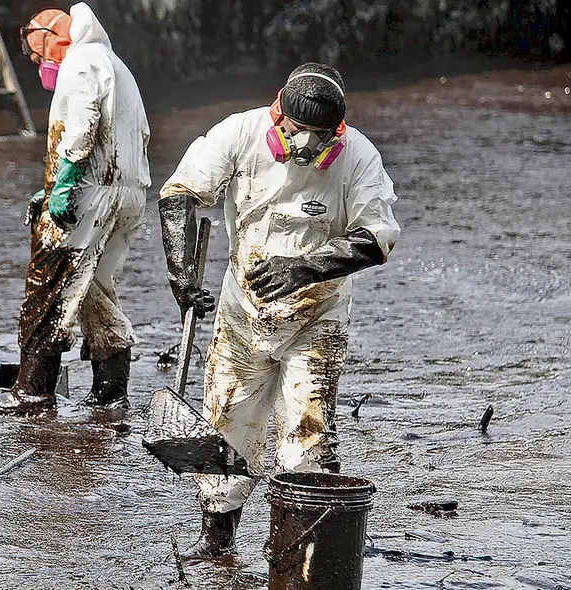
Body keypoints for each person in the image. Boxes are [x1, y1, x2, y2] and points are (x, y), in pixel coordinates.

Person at [158, 63, 400, 558]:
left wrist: (304, 268)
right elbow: (178, 195)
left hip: (317, 318)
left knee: (305, 437)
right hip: (242, 314)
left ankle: (291, 551)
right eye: (297, 130)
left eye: (319, 135)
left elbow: (377, 237)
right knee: (228, 426)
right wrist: (183, 276)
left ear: (337, 130)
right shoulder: (239, 133)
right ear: (278, 114)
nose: (306, 145)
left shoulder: (358, 157)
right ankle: (216, 543)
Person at [0, 2, 151, 414]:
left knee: (46, 285)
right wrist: (53, 186)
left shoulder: (79, 61)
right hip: (131, 194)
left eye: (37, 53)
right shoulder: (115, 63)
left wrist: (66, 183)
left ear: (54, 37)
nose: (37, 61)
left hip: (90, 193)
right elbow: (138, 133)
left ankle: (32, 393)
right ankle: (110, 394)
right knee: (95, 289)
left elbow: (82, 126)